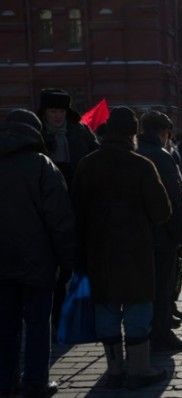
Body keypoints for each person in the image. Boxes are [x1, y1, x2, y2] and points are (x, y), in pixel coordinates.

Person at [72, 107, 171, 390]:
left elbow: (75, 209)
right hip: (135, 251)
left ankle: (114, 369)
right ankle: (139, 369)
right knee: (138, 308)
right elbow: (161, 211)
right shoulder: (141, 165)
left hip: (98, 250)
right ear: (132, 133)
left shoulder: (86, 165)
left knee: (107, 308)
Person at [0, 109, 76, 397]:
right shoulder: (42, 165)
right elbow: (60, 219)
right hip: (38, 261)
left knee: (4, 326)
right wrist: (68, 262)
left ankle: (5, 381)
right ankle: (36, 382)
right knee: (37, 325)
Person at [37, 89, 99, 332]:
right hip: (46, 209)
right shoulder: (36, 135)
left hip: (77, 205)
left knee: (75, 264)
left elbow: (94, 159)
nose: (57, 116)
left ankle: (73, 316)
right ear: (45, 113)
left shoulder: (79, 132)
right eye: (53, 111)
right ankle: (53, 316)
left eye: (61, 111)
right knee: (52, 268)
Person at [137, 111, 182, 352]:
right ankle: (161, 335)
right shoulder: (161, 156)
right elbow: (173, 199)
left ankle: (146, 333)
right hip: (163, 234)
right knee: (162, 287)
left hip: (139, 234)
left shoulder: (135, 154)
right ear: (163, 133)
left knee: (145, 288)